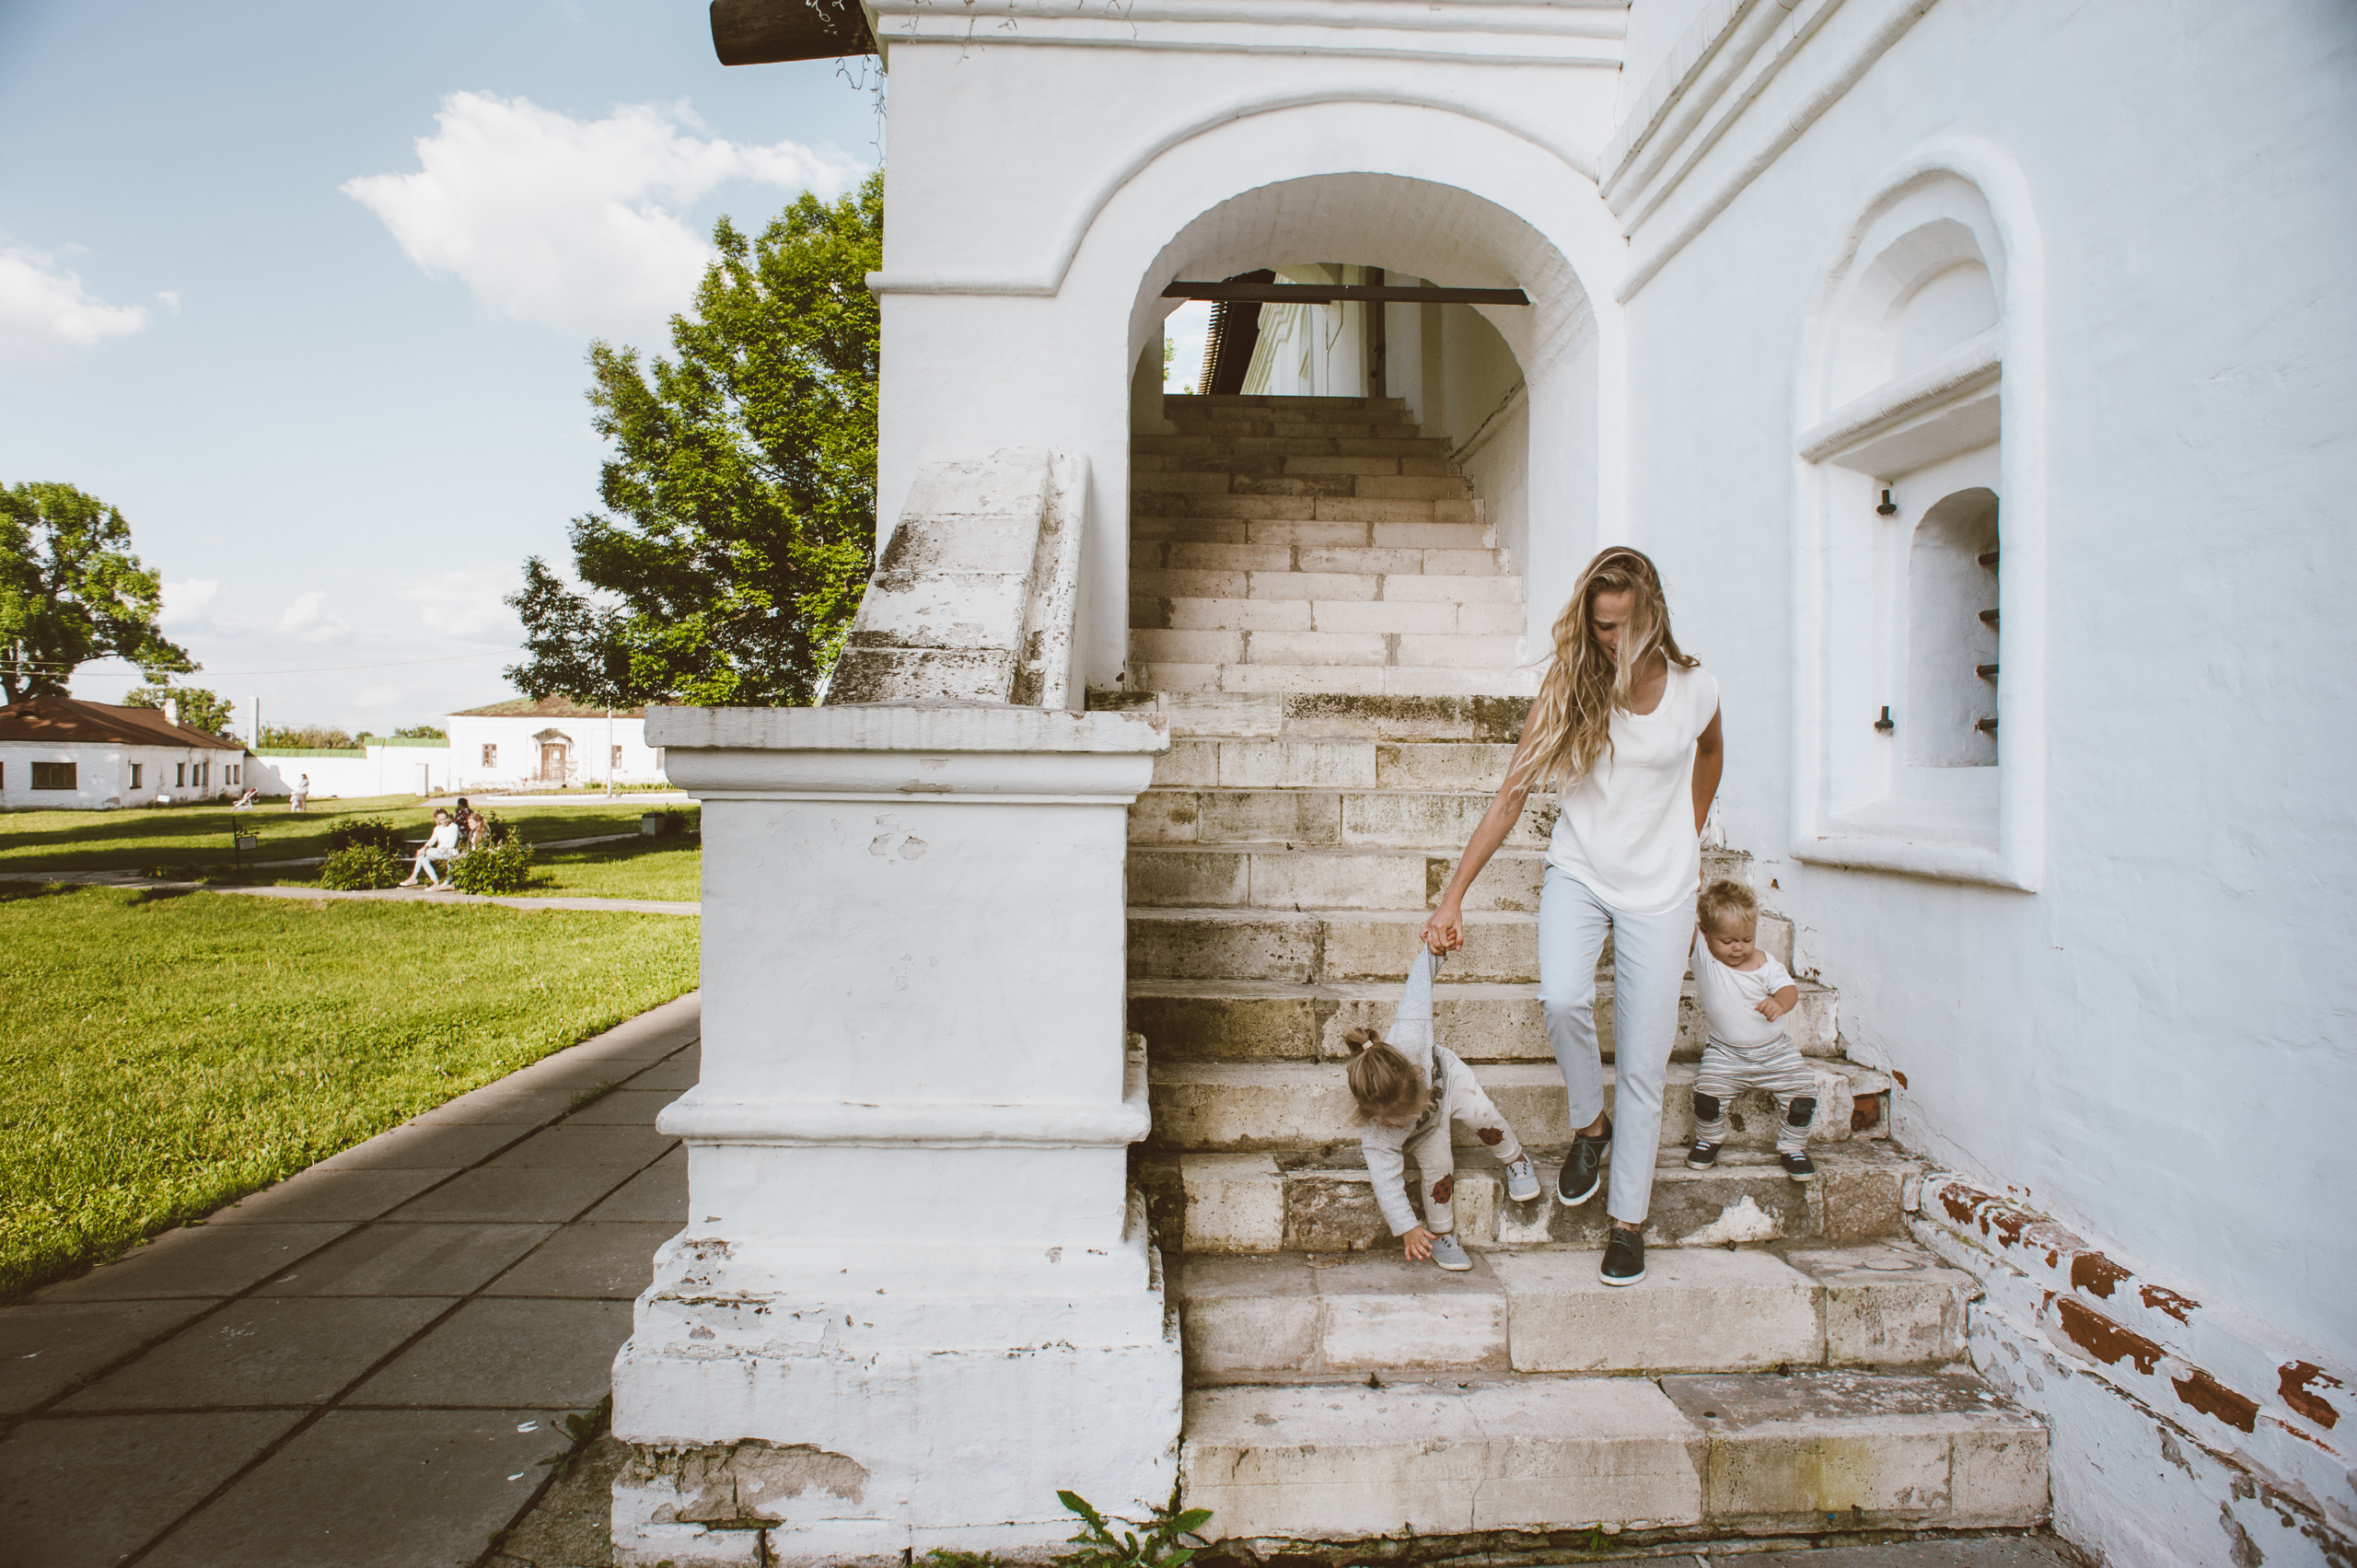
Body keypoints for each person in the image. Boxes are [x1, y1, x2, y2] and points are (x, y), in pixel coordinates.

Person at [1422, 546, 1723, 1288]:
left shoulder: (1697, 689)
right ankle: (1592, 1126)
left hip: (1661, 890)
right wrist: (1453, 893)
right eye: (1599, 626)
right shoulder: (1573, 683)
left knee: (1646, 1062)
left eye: (1620, 626)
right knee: (1561, 996)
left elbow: (1711, 753)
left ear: (1650, 615)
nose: (1609, 641)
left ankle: (1627, 1222)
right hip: (1581, 871)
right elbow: (1511, 794)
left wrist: (1691, 829)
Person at [1345, 947, 1543, 1271]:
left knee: (1482, 1114)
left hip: (1447, 1078)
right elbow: (1385, 1181)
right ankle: (1443, 1235)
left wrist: (1436, 945)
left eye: (1401, 1118)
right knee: (1440, 1172)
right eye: (1391, 1123)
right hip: (1427, 1131)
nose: (1396, 1126)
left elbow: (1419, 985)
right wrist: (1408, 1228)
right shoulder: (1378, 1134)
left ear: (1413, 1079)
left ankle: (1515, 1159)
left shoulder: (1411, 1035)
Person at [1686, 878, 1817, 1181]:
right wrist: (1690, 880)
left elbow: (1789, 990)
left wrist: (1779, 1002)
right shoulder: (1704, 955)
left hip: (1775, 1051)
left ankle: (1793, 1147)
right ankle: (1709, 1139)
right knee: (1706, 1096)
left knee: (1803, 1095)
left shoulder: (1765, 963)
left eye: (1746, 939)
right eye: (1728, 940)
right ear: (1705, 934)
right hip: (1726, 1052)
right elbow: (1682, 918)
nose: (1738, 948)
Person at [399, 808, 462, 889]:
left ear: (448, 817)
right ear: (438, 820)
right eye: (441, 820)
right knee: (423, 859)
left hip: (450, 852)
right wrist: (424, 847)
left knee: (423, 853)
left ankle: (413, 877)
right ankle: (435, 882)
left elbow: (452, 844)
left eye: (445, 818)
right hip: (440, 852)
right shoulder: (437, 829)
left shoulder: (453, 826)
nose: (444, 821)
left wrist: (424, 850)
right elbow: (432, 840)